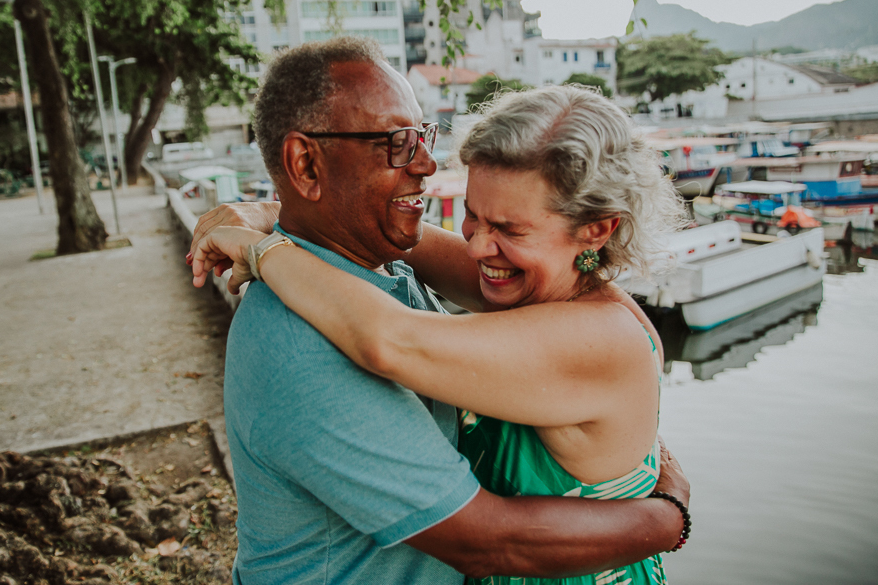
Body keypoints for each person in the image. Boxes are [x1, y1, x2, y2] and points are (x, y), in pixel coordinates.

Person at [189, 37, 690, 585]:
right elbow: (392, 270)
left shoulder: (590, 328)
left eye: (421, 136)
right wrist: (273, 213)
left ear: (596, 229)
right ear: (307, 162)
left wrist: (265, 243)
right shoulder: (302, 333)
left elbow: (392, 331)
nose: (475, 247)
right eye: (397, 142)